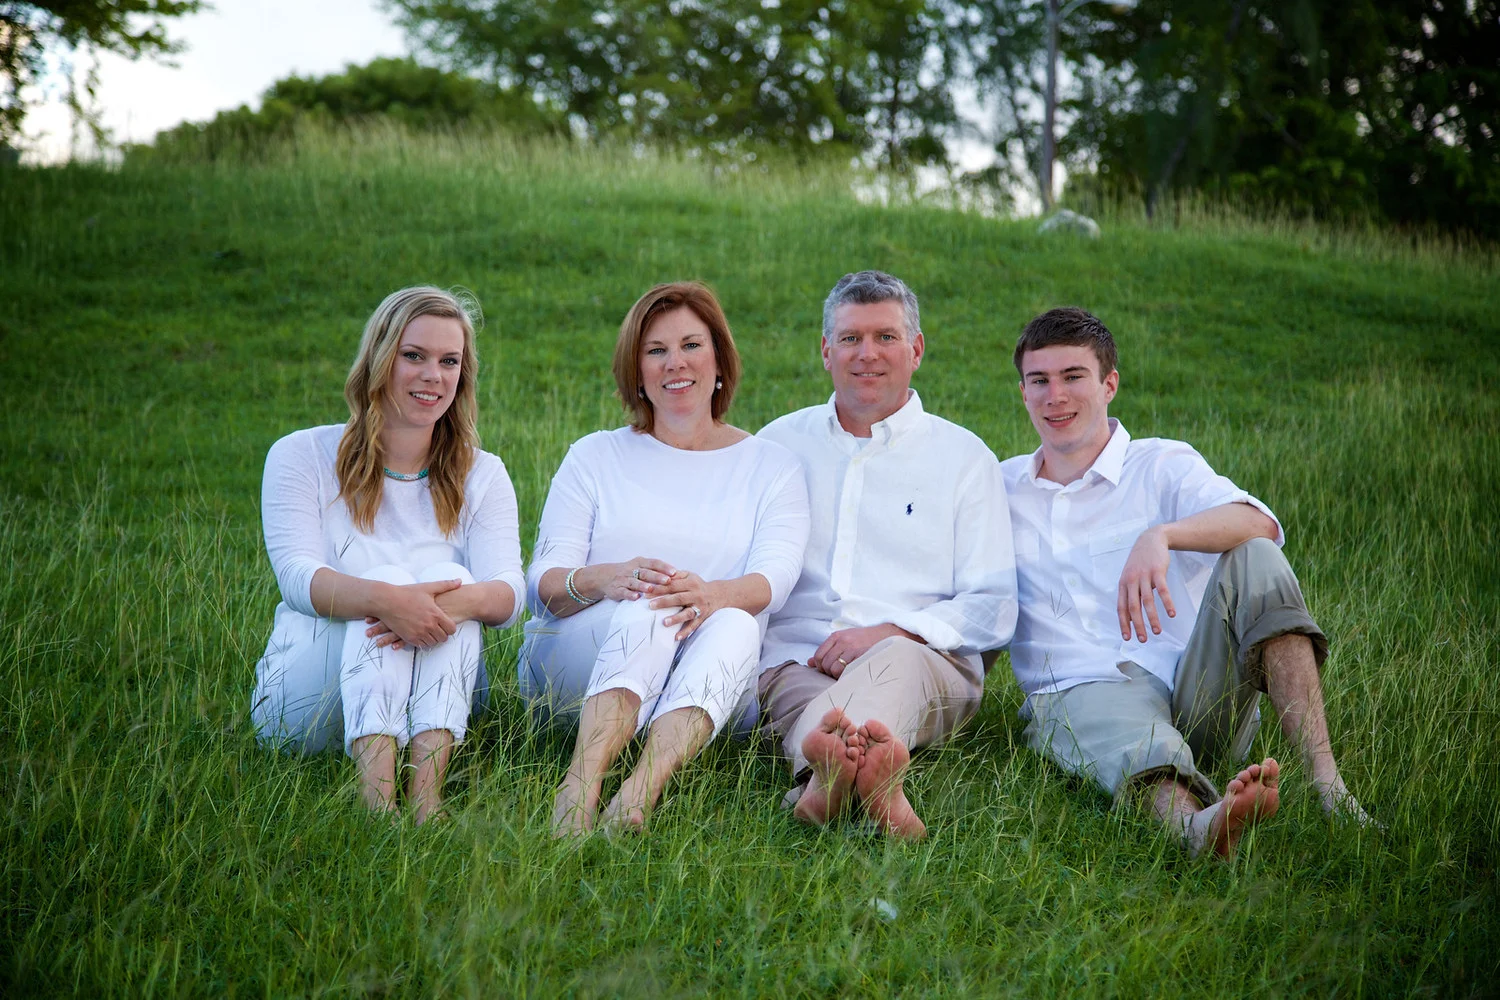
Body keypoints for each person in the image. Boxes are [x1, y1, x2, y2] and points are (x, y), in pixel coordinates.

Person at [1001, 306, 1373, 858]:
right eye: (1039, 381)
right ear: (1025, 392)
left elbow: (1261, 524)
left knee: (1257, 558)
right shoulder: (1002, 487)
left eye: (1072, 377)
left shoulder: (1161, 465)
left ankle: (1328, 785)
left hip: (1197, 691)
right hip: (1082, 689)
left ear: (1109, 385)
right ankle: (1200, 829)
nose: (1055, 395)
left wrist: (1163, 535)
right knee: (1136, 741)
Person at [520, 281, 809, 837]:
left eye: (691, 345)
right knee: (651, 604)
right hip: (580, 665)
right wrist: (607, 579)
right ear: (637, 370)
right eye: (656, 350)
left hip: (709, 685)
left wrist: (709, 595)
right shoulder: (595, 456)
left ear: (720, 360)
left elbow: (775, 578)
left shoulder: (771, 466)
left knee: (735, 622)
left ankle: (638, 792)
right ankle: (579, 787)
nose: (675, 363)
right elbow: (543, 585)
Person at [756, 270, 1017, 840]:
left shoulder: (964, 458)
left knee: (890, 663)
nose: (866, 354)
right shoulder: (777, 446)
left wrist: (889, 630)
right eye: (850, 339)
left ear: (916, 349)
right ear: (826, 351)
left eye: (886, 337)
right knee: (812, 705)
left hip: (925, 660)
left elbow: (993, 606)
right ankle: (875, 788)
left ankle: (819, 787)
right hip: (798, 661)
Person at [250, 286, 524, 825]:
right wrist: (389, 599)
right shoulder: (301, 455)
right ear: (380, 358)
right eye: (414, 356)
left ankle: (426, 798)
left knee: (452, 580)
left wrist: (438, 604)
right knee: (393, 577)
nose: (433, 375)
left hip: (431, 699)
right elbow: (298, 579)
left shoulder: (482, 472)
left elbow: (510, 593)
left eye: (449, 362)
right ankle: (377, 806)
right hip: (309, 701)